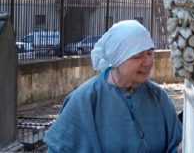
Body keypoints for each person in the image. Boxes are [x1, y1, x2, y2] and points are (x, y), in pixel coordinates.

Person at [44, 20, 183, 152]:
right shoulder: (84, 100)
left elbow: (175, 143)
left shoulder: (158, 97)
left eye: (150, 53)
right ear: (118, 59)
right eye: (138, 56)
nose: (147, 62)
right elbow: (60, 148)